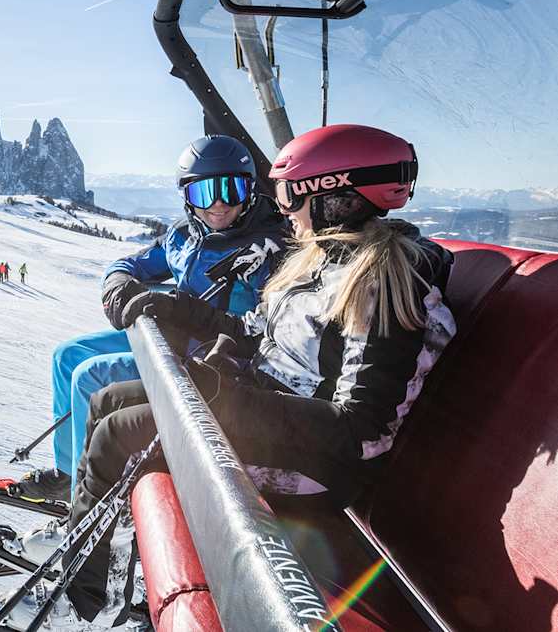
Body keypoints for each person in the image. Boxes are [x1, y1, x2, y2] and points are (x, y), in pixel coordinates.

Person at [61, 124, 457, 622]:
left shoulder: (382, 284)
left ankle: (81, 604)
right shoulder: (322, 262)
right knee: (107, 402)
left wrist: (227, 399)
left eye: (290, 193)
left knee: (118, 433)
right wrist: (179, 307)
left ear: (330, 195)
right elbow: (256, 332)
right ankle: (87, 563)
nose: (283, 207)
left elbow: (362, 433)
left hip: (315, 465)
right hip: (266, 414)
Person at [11, 135, 290, 502]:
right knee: (67, 357)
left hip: (210, 357)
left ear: (250, 191)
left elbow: (264, 325)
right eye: (205, 193)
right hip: (169, 336)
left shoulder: (265, 248)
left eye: (232, 190)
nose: (219, 204)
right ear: (187, 197)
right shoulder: (184, 236)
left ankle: (90, 490)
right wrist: (119, 287)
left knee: (88, 376)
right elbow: (129, 265)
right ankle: (68, 472)